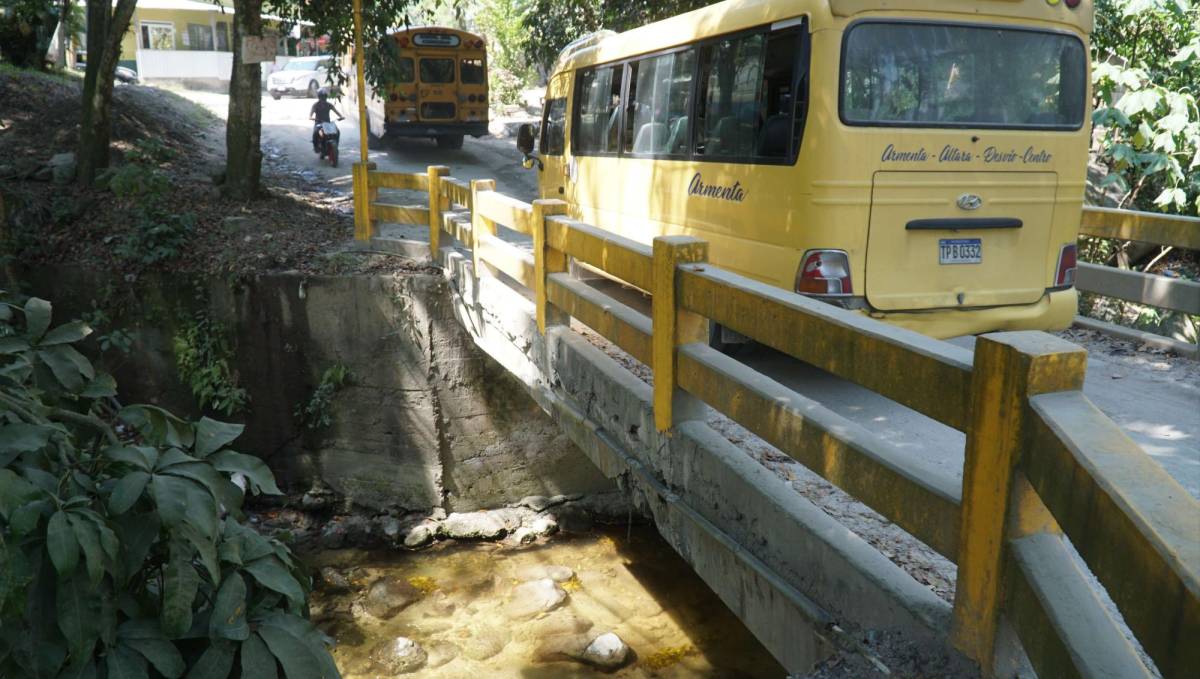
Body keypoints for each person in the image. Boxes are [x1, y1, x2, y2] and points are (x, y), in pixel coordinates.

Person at [310, 89, 344, 153]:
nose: (323, 98)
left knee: (337, 131)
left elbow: (336, 111)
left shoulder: (329, 105)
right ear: (319, 97)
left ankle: (336, 146)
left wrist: (341, 116)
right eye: (322, 96)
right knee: (315, 133)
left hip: (328, 123)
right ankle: (316, 147)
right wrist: (311, 117)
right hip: (318, 123)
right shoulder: (315, 105)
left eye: (324, 96)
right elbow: (311, 114)